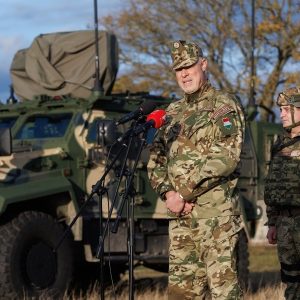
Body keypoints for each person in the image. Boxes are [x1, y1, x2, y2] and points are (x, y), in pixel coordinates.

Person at [147, 40, 245, 299]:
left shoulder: (223, 106)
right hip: (180, 222)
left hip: (215, 219)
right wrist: (169, 194)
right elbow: (156, 160)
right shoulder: (172, 113)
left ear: (203, 65)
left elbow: (227, 156)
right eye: (179, 69)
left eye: (189, 66)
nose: (184, 73)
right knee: (181, 295)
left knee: (224, 293)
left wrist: (185, 194)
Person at [264, 87, 300, 300]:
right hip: (284, 223)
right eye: (281, 109)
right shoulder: (279, 144)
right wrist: (272, 223)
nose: (282, 114)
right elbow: (271, 185)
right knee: (291, 281)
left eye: (287, 109)